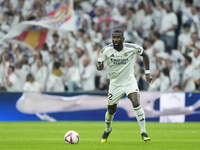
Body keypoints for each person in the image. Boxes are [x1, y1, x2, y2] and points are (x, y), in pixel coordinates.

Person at [96, 30, 152, 142]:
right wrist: (99, 66)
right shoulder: (106, 50)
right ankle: (107, 130)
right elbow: (98, 63)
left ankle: (143, 132)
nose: (115, 40)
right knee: (111, 110)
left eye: (118, 37)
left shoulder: (131, 48)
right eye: (114, 37)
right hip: (115, 84)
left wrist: (147, 73)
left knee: (136, 103)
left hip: (129, 81)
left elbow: (145, 54)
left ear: (123, 39)